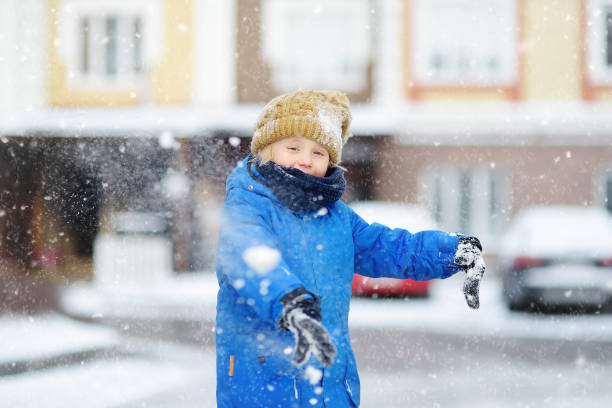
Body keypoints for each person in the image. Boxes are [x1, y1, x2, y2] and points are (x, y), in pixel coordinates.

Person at [215, 90, 486, 407]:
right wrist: (288, 302)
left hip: (330, 383)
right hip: (265, 385)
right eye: (293, 147)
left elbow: (386, 246)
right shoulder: (247, 205)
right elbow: (249, 255)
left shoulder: (336, 217)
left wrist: (451, 250)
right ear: (265, 150)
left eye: (319, 153)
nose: (306, 159)